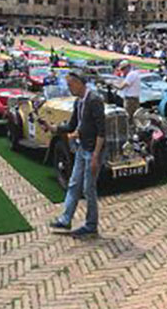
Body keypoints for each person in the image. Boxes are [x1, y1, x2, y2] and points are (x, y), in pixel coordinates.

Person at [46, 73, 105, 238]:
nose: (68, 88)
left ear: (79, 83)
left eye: (70, 85)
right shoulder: (79, 101)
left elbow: (102, 131)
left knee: (88, 188)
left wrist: (95, 156)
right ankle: (65, 220)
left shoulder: (94, 100)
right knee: (73, 184)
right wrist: (54, 129)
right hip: (82, 148)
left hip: (92, 150)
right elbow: (72, 125)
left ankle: (91, 225)